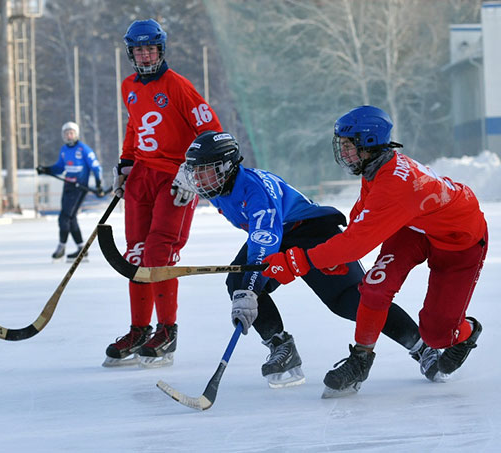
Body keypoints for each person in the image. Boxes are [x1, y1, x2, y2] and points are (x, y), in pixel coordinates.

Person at [173, 130, 439, 388]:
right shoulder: (219, 184)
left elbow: (264, 245)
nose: (198, 179)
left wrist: (252, 288)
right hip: (278, 233)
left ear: (226, 167)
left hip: (311, 231)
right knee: (238, 283)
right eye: (194, 172)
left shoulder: (255, 192)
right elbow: (262, 236)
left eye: (204, 171)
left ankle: (421, 347)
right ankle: (281, 348)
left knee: (349, 300)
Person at [259, 105, 488, 397]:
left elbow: (358, 242)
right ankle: (360, 359)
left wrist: (298, 261)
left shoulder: (396, 185)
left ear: (367, 143)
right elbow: (360, 219)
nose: (342, 152)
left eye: (346, 145)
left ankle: (466, 332)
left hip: (460, 242)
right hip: (414, 229)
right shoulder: (375, 170)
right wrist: (335, 257)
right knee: (374, 289)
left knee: (437, 334)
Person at [104, 19, 222, 368]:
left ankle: (167, 330)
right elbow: (135, 125)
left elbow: (212, 130)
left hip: (175, 178)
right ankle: (139, 329)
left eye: (150, 49)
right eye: (138, 50)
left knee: (159, 251)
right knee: (136, 254)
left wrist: (195, 173)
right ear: (131, 53)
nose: (144, 55)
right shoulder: (129, 86)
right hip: (142, 175)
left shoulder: (178, 86)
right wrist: (125, 164)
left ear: (160, 50)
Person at [36, 121, 104, 261]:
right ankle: (81, 249)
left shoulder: (83, 149)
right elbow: (60, 168)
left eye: (71, 132)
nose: (69, 135)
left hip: (79, 188)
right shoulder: (64, 150)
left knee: (64, 217)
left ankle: (61, 246)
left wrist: (98, 185)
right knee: (70, 218)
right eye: (66, 133)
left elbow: (96, 167)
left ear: (76, 134)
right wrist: (46, 169)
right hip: (68, 187)